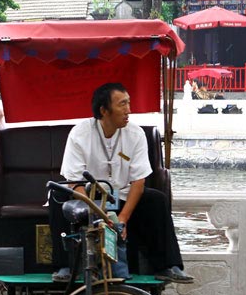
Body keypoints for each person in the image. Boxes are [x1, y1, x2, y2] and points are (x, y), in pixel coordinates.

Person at [49, 82, 193, 284]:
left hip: (122, 196)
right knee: (57, 197)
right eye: (122, 104)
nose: (128, 110)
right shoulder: (80, 134)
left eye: (129, 103)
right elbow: (75, 181)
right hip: (88, 197)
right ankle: (65, 266)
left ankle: (168, 265)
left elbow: (138, 181)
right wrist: (96, 214)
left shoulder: (135, 134)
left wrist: (121, 220)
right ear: (103, 110)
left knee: (156, 200)